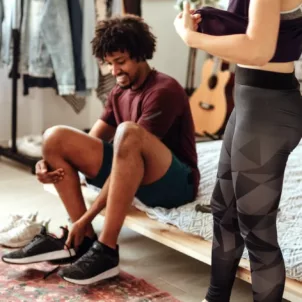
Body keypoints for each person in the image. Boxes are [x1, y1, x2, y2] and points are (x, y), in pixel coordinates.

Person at [2, 15, 200, 285]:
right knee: (54, 137)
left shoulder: (163, 90)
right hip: (135, 175)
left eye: (121, 62)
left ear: (141, 54)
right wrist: (46, 164)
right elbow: (88, 145)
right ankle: (83, 242)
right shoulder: (119, 92)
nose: (115, 71)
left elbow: (129, 153)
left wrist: (87, 217)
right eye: (109, 64)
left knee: (127, 132)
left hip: (174, 184)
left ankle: (106, 250)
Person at [174, 0, 302, 301]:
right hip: (249, 102)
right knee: (224, 210)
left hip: (268, 109)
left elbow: (258, 49)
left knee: (256, 229)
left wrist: (191, 38)